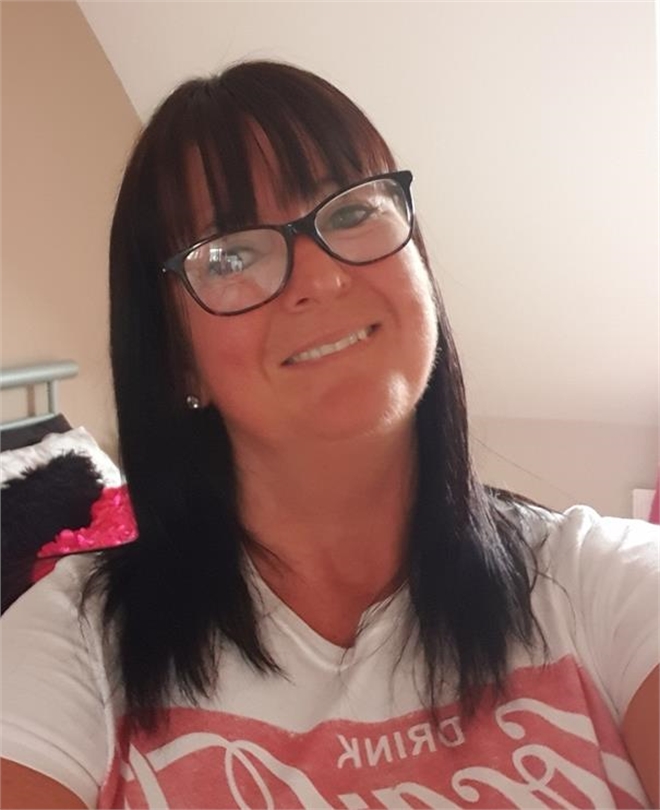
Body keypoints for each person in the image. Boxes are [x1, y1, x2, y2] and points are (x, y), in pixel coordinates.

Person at [1, 60, 658, 810]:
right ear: (177, 355)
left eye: (349, 213)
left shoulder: (601, 584)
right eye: (232, 254)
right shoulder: (71, 646)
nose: (319, 279)